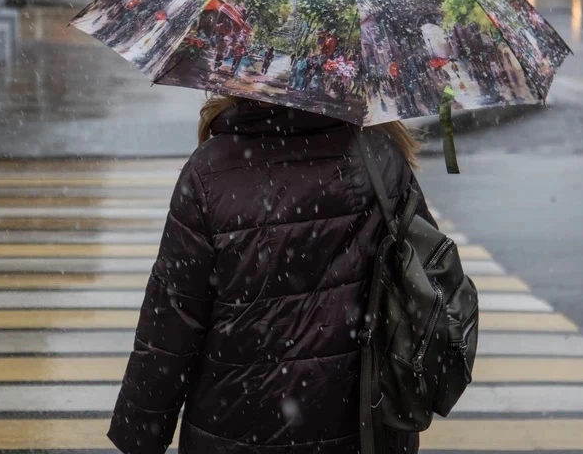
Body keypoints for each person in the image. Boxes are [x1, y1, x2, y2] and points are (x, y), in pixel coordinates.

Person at [107, 96, 432, 454]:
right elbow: (424, 284)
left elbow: (172, 321)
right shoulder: (379, 157)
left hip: (236, 427)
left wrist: (140, 431)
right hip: (361, 426)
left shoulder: (211, 170)